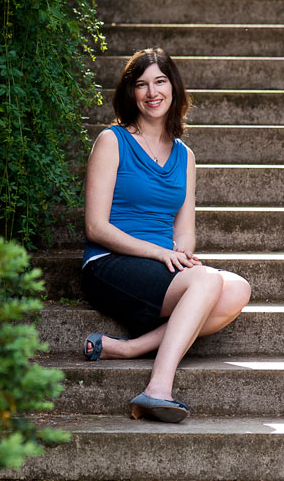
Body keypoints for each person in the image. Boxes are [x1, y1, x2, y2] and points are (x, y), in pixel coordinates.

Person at [80, 47, 251, 423]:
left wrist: (181, 255)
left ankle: (129, 349)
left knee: (237, 288)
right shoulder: (112, 141)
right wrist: (160, 255)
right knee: (206, 280)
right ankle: (158, 388)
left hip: (159, 268)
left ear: (174, 88)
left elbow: (184, 231)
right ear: (131, 94)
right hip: (109, 264)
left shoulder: (185, 155)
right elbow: (96, 227)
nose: (151, 92)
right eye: (141, 84)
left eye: (160, 81)